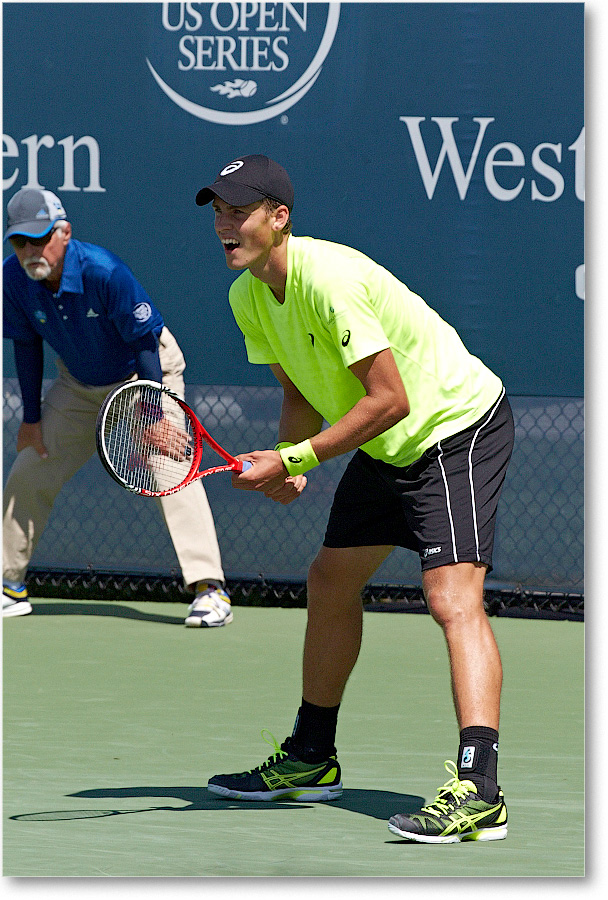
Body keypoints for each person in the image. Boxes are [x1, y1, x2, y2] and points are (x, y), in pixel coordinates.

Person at [195, 155, 514, 844]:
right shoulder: (248, 295)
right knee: (330, 579)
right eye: (218, 211)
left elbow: (390, 398)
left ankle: (480, 788)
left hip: (455, 427)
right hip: (388, 444)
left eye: (239, 211)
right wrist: (287, 469)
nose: (225, 223)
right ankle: (312, 755)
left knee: (451, 598)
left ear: (279, 220)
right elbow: (299, 390)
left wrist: (297, 456)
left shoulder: (329, 279)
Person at [3, 188, 232, 628]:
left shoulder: (104, 272)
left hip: (145, 372)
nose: (30, 250)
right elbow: (26, 344)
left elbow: (144, 343)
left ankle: (210, 589)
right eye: (19, 241)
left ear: (64, 233)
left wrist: (153, 417)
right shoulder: (13, 279)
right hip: (77, 384)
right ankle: (7, 586)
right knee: (30, 466)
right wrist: (31, 419)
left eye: (40, 237)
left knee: (170, 466)